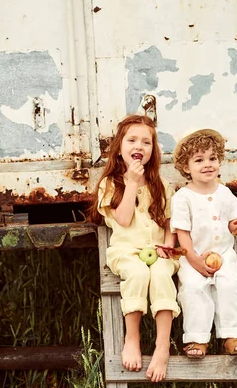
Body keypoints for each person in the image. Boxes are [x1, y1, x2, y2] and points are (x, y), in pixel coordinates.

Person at [89, 114, 180, 382]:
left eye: (146, 142)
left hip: (158, 251)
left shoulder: (161, 185)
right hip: (126, 252)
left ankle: (162, 347)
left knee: (162, 275)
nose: (139, 146)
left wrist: (168, 245)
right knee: (139, 274)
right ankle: (133, 337)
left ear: (153, 151)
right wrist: (130, 183)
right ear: (119, 147)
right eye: (132, 140)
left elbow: (169, 223)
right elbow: (124, 218)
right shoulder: (110, 184)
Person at [170, 129, 237, 359]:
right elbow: (182, 233)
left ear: (220, 162)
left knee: (228, 285)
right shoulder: (183, 197)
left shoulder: (225, 194)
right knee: (193, 290)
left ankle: (230, 336)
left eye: (212, 158)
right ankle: (197, 339)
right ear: (186, 167)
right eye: (199, 160)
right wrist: (193, 260)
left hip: (223, 254)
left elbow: (234, 226)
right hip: (193, 257)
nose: (207, 164)